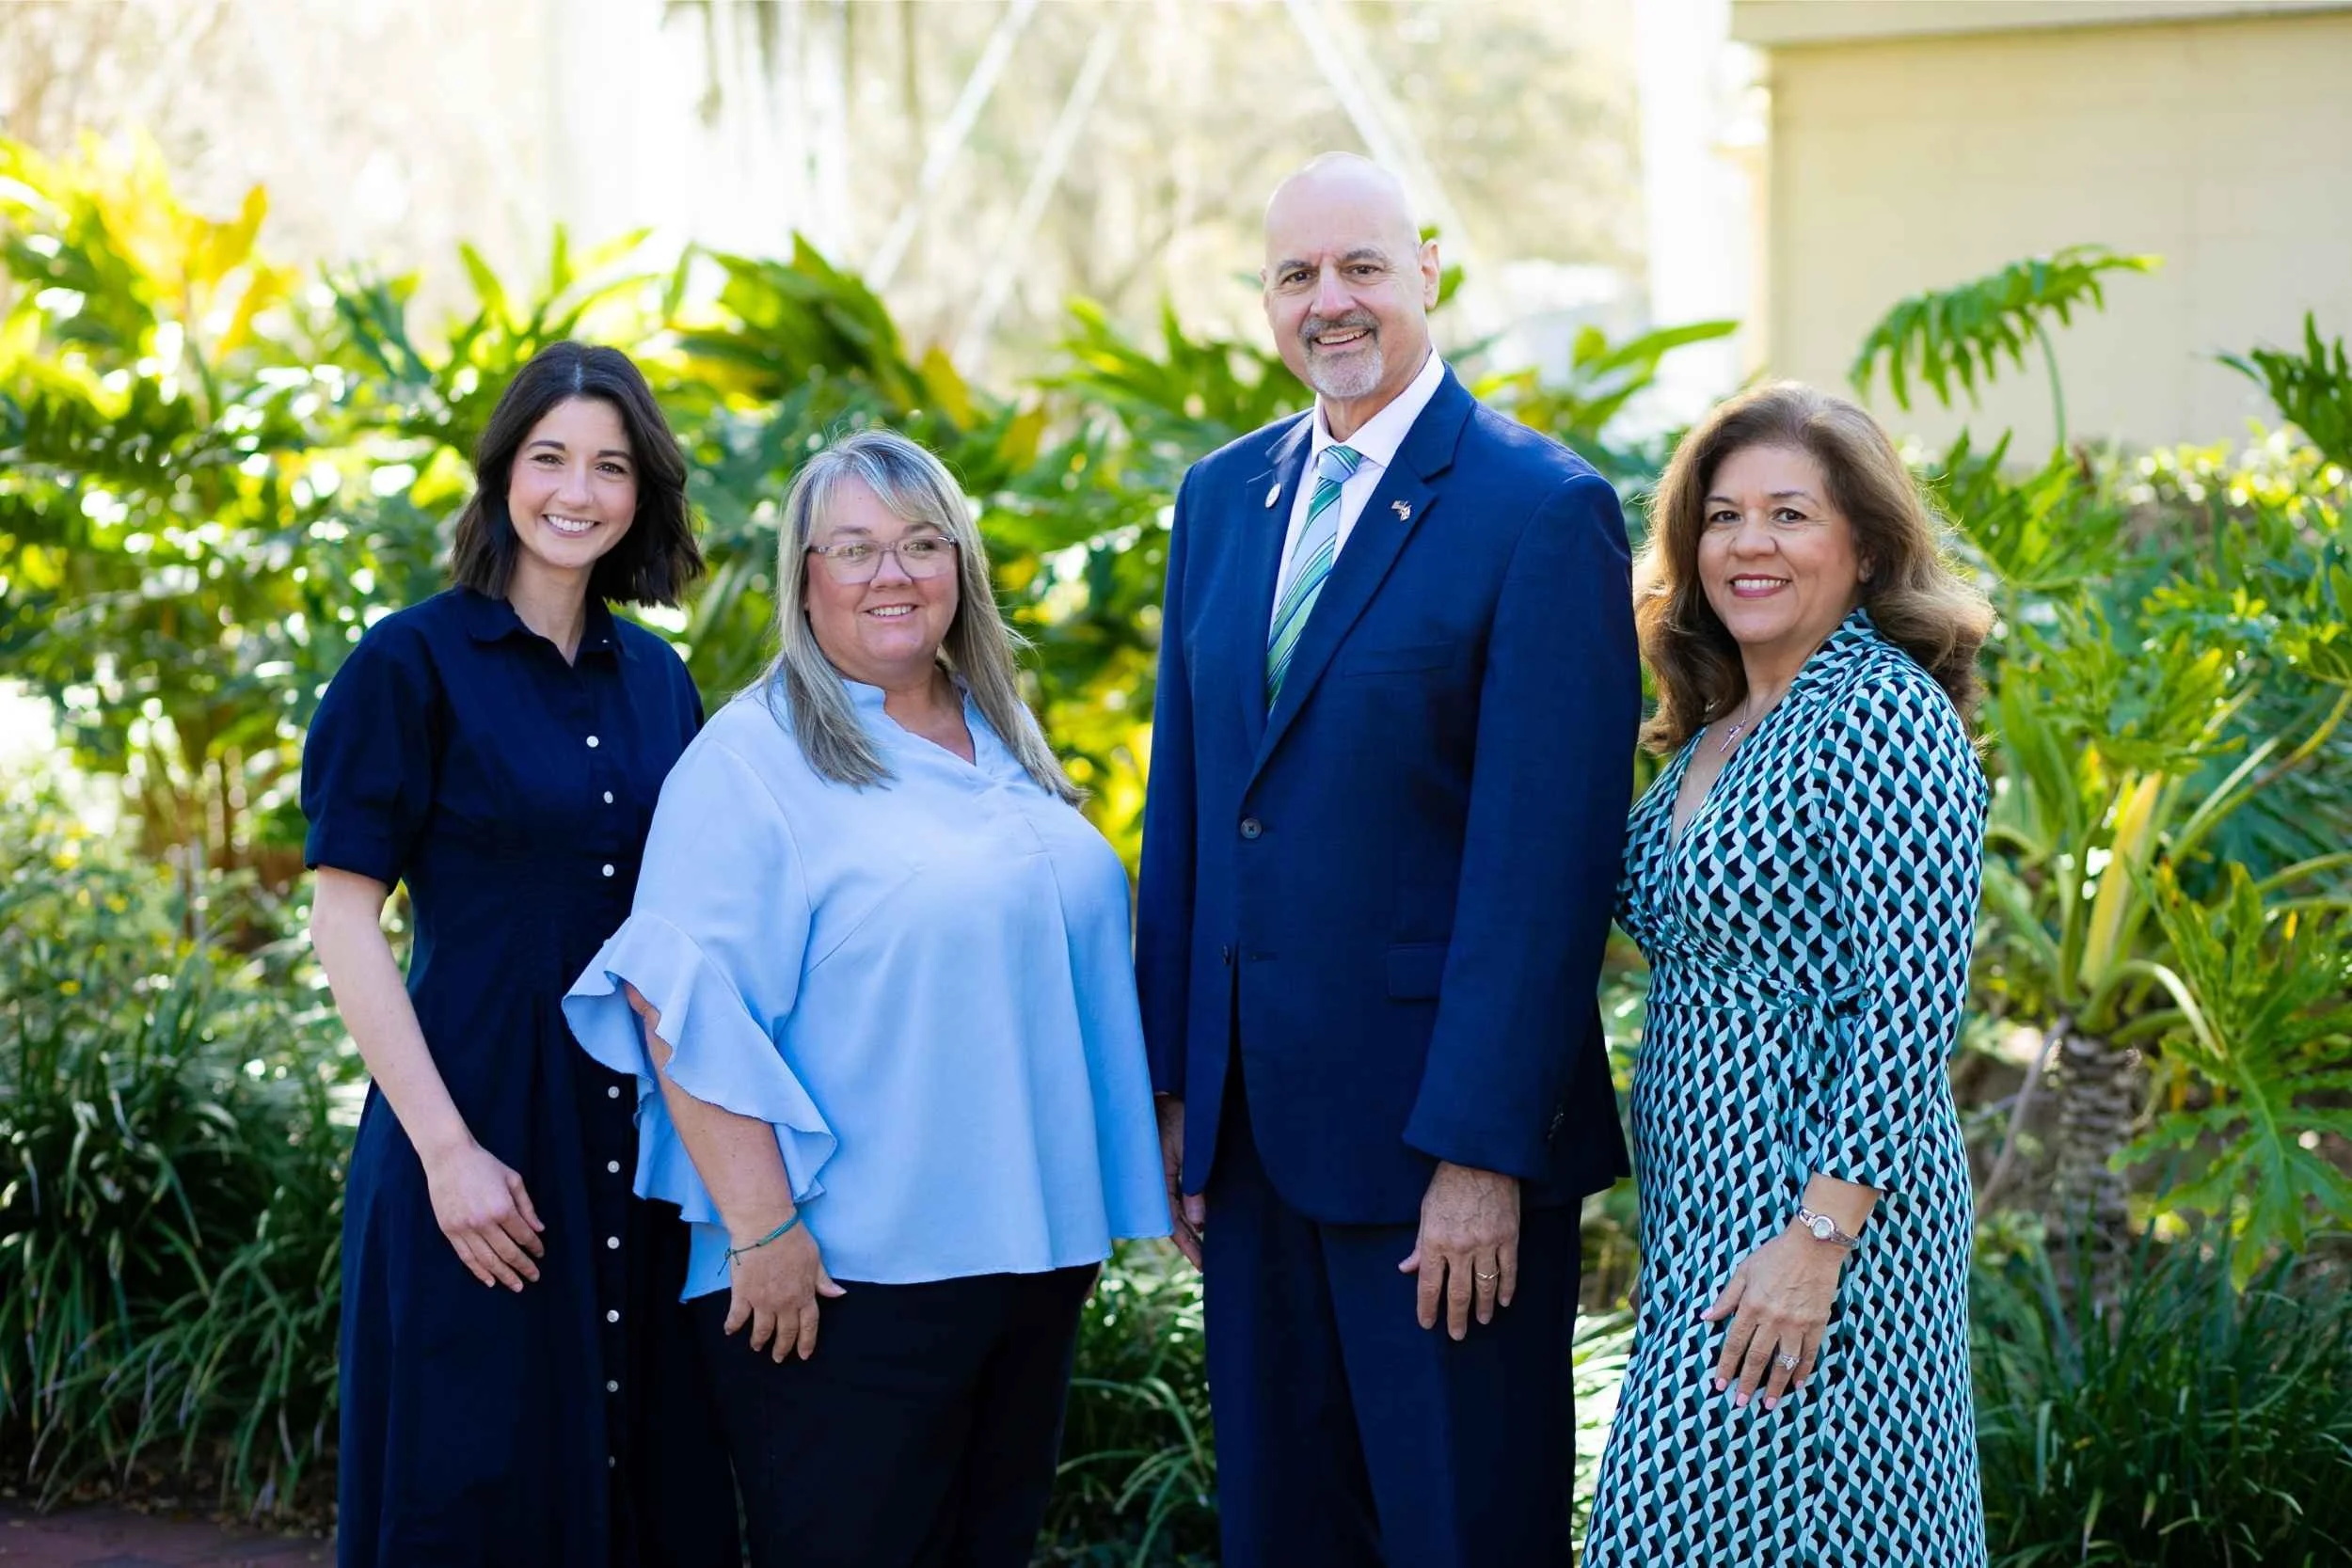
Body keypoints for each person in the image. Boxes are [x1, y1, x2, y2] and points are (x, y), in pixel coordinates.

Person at [1133, 151, 1642, 1567]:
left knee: (1457, 1528)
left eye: (1362, 266)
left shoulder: (1539, 507)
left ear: (1428, 274)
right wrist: (1179, 1088)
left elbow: (1542, 874)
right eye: (1297, 275)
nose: (1331, 300)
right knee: (1285, 1533)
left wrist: (1478, 1152)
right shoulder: (1222, 497)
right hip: (1248, 1144)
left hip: (1437, 1155)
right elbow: (1192, 803)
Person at [563, 427, 1169, 1568]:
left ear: (960, 567)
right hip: (840, 1279)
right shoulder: (753, 758)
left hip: (1023, 1259)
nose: (891, 574)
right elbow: (674, 999)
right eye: (853, 548)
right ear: (805, 577)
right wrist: (764, 1228)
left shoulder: (999, 734)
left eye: (920, 543)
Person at [303, 341, 737, 1568]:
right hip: (473, 1126)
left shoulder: (662, 682)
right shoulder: (408, 662)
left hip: (636, 1137)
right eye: (550, 457)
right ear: (502, 474)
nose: (577, 490)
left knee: (643, 1480)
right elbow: (345, 919)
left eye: (609, 465)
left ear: (641, 491)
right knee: (469, 1481)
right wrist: (447, 1153)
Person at [1583, 382, 1993, 1566]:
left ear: (1863, 546)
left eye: (1789, 514)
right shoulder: (1720, 725)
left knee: (1792, 1525)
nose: (1748, 543)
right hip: (1704, 1213)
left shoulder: (1879, 714)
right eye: (1721, 516)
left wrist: (1817, 1240)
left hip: (1824, 1222)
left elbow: (1911, 1006)